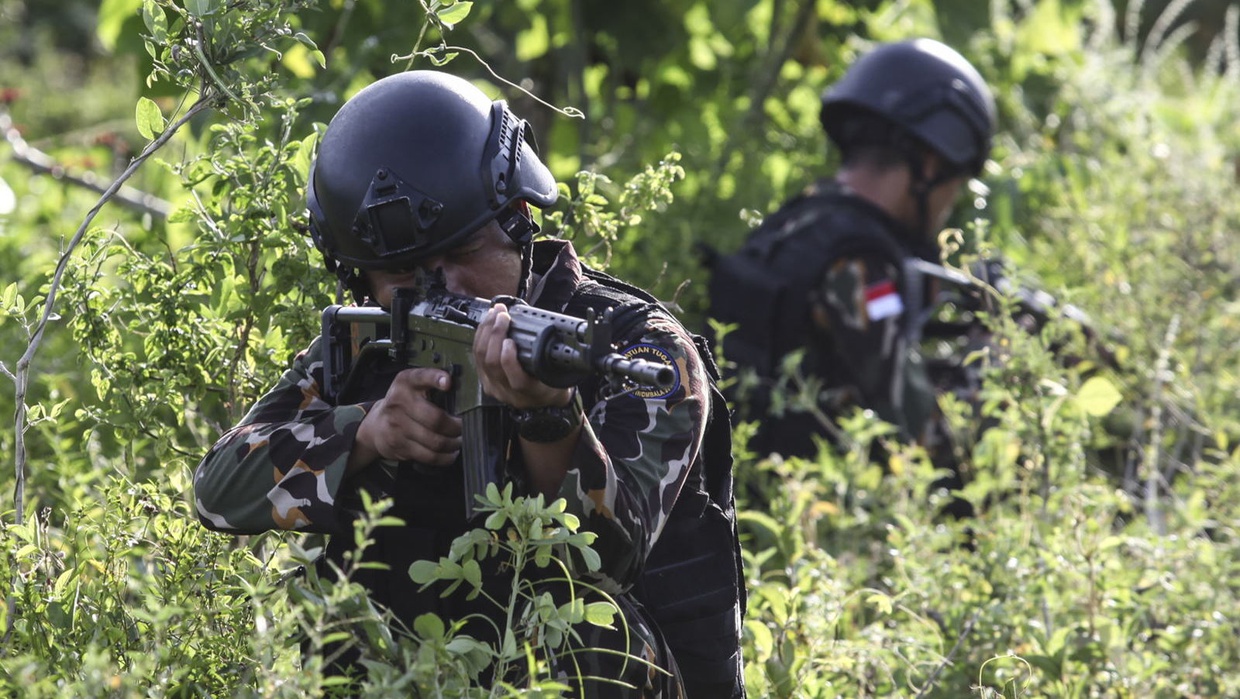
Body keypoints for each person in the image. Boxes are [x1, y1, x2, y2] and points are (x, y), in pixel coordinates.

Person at [193, 71, 745, 697]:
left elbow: (608, 558)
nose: (447, 287)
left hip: (604, 671)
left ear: (516, 221)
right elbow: (218, 491)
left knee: (584, 628)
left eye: (465, 250)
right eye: (404, 271)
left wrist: (548, 419)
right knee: (341, 618)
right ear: (363, 283)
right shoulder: (370, 345)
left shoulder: (633, 346)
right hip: (413, 667)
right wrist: (367, 433)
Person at [706, 38, 996, 469]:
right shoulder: (858, 264)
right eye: (953, 189)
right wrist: (993, 363)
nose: (945, 208)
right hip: (794, 500)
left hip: (730, 471)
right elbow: (925, 435)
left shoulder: (798, 220)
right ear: (931, 165)